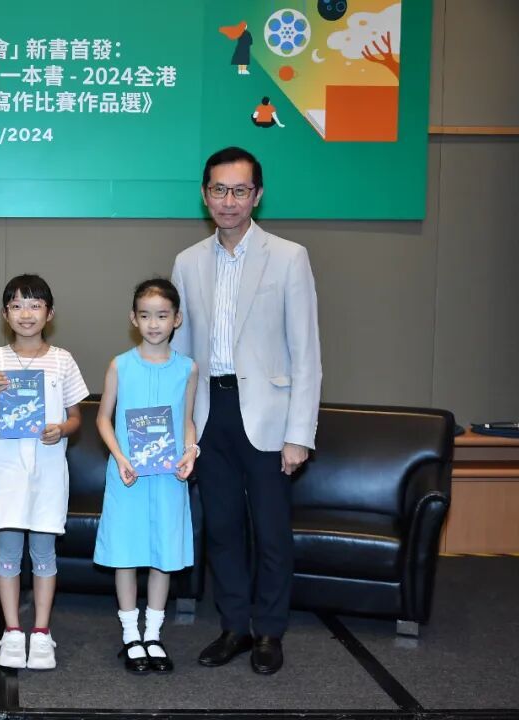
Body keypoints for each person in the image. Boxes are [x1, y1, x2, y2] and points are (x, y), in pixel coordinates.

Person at [170, 147, 321, 675]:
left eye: (239, 190)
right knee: (222, 529)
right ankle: (233, 626)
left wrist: (300, 433)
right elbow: (180, 355)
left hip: (269, 416)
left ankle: (269, 631)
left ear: (257, 196)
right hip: (209, 411)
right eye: (219, 190)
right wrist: (183, 424)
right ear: (204, 194)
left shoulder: (289, 257)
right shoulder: (187, 262)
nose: (228, 201)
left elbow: (307, 352)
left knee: (272, 533)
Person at [0, 274, 89, 671]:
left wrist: (62, 429)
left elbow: (76, 417)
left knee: (43, 554)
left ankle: (40, 632)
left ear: (49, 314)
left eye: (35, 305)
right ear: (5, 314)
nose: (26, 314)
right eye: (17, 306)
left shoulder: (63, 360)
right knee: (7, 554)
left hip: (48, 471)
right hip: (7, 472)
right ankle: (11, 630)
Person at [93, 278, 198, 673]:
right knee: (126, 553)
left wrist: (191, 451)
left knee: (162, 555)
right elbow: (103, 419)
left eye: (162, 315)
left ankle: (153, 634)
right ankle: (130, 635)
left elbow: (187, 421)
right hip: (129, 475)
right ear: (133, 319)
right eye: (146, 315)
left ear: (177, 319)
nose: (154, 324)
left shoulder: (187, 368)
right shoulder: (120, 365)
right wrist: (119, 456)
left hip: (169, 477)